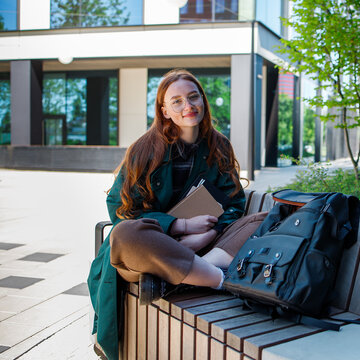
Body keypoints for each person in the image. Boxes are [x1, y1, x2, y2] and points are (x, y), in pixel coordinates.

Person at [87, 69, 253, 360]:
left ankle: (179, 275)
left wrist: (210, 234)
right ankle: (211, 276)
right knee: (124, 233)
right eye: (176, 101)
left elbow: (235, 203)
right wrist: (179, 227)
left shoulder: (219, 146)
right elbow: (120, 208)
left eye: (192, 97)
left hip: (205, 246)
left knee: (260, 218)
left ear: (203, 100)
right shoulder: (143, 149)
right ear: (164, 110)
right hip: (149, 251)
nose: (187, 106)